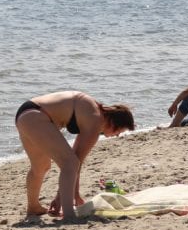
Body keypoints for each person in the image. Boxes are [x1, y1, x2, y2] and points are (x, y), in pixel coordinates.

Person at [14, 91, 135, 219]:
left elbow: (75, 160)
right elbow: (76, 161)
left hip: (25, 114)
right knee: (70, 163)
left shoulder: (92, 110)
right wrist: (64, 198)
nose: (117, 136)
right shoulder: (96, 120)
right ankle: (69, 214)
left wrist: (72, 195)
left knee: (41, 166)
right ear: (114, 124)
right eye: (119, 132)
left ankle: (33, 207)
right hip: (37, 117)